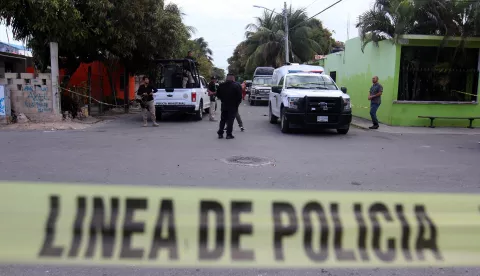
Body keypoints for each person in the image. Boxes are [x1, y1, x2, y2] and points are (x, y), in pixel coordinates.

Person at [216, 74, 242, 139]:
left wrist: (223, 99)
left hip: (224, 104)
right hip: (233, 105)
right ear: (233, 78)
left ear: (226, 78)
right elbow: (239, 97)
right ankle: (228, 134)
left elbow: (218, 95)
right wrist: (237, 104)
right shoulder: (236, 85)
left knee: (223, 119)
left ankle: (220, 133)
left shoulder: (221, 85)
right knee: (230, 120)